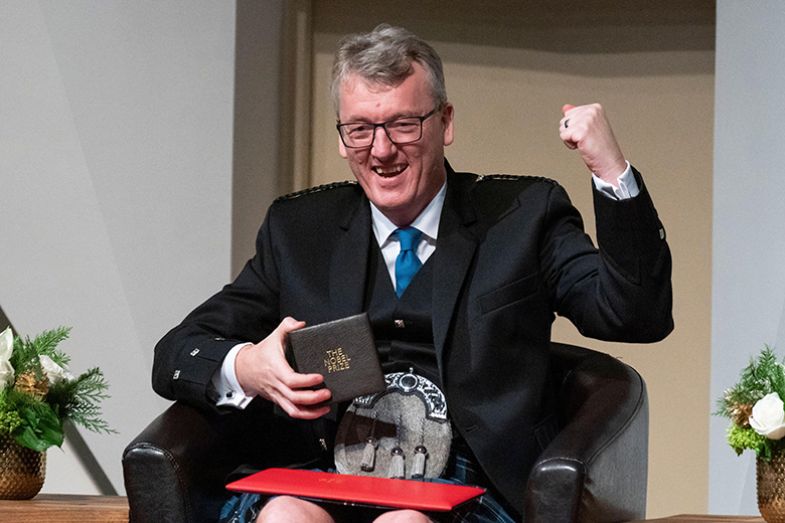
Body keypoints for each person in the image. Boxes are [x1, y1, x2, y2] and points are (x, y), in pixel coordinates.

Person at [152, 24, 672, 523]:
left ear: (445, 123)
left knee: (403, 521)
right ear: (342, 137)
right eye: (359, 130)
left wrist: (611, 171)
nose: (381, 150)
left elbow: (636, 316)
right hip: (326, 476)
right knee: (285, 515)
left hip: (471, 484)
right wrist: (247, 367)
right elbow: (175, 352)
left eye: (403, 124)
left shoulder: (522, 215)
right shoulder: (299, 230)